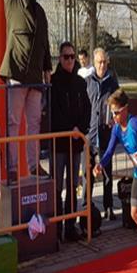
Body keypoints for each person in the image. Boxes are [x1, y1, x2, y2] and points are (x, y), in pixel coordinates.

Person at [0, 0, 52, 181]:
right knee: (13, 123)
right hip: (17, 76)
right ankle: (10, 168)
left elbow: (45, 43)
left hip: (36, 79)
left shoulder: (40, 10)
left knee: (34, 125)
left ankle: (33, 166)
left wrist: (47, 70)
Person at [93, 89, 137, 250]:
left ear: (125, 109)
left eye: (116, 113)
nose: (114, 117)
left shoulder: (134, 123)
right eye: (112, 113)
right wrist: (100, 164)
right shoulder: (116, 129)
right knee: (134, 215)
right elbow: (109, 151)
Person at [51, 42, 91, 241]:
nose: (69, 60)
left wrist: (79, 129)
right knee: (57, 187)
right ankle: (57, 228)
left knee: (74, 184)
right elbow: (54, 113)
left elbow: (87, 109)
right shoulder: (53, 82)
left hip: (75, 143)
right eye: (65, 56)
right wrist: (69, 129)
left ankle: (70, 226)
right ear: (59, 58)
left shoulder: (80, 83)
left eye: (72, 56)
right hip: (59, 144)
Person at [86, 47, 120, 220]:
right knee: (88, 172)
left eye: (104, 62)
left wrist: (115, 118)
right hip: (90, 134)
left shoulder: (113, 83)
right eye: (99, 62)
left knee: (107, 172)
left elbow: (121, 105)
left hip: (106, 134)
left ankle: (108, 207)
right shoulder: (87, 82)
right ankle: (87, 207)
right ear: (94, 62)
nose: (102, 65)